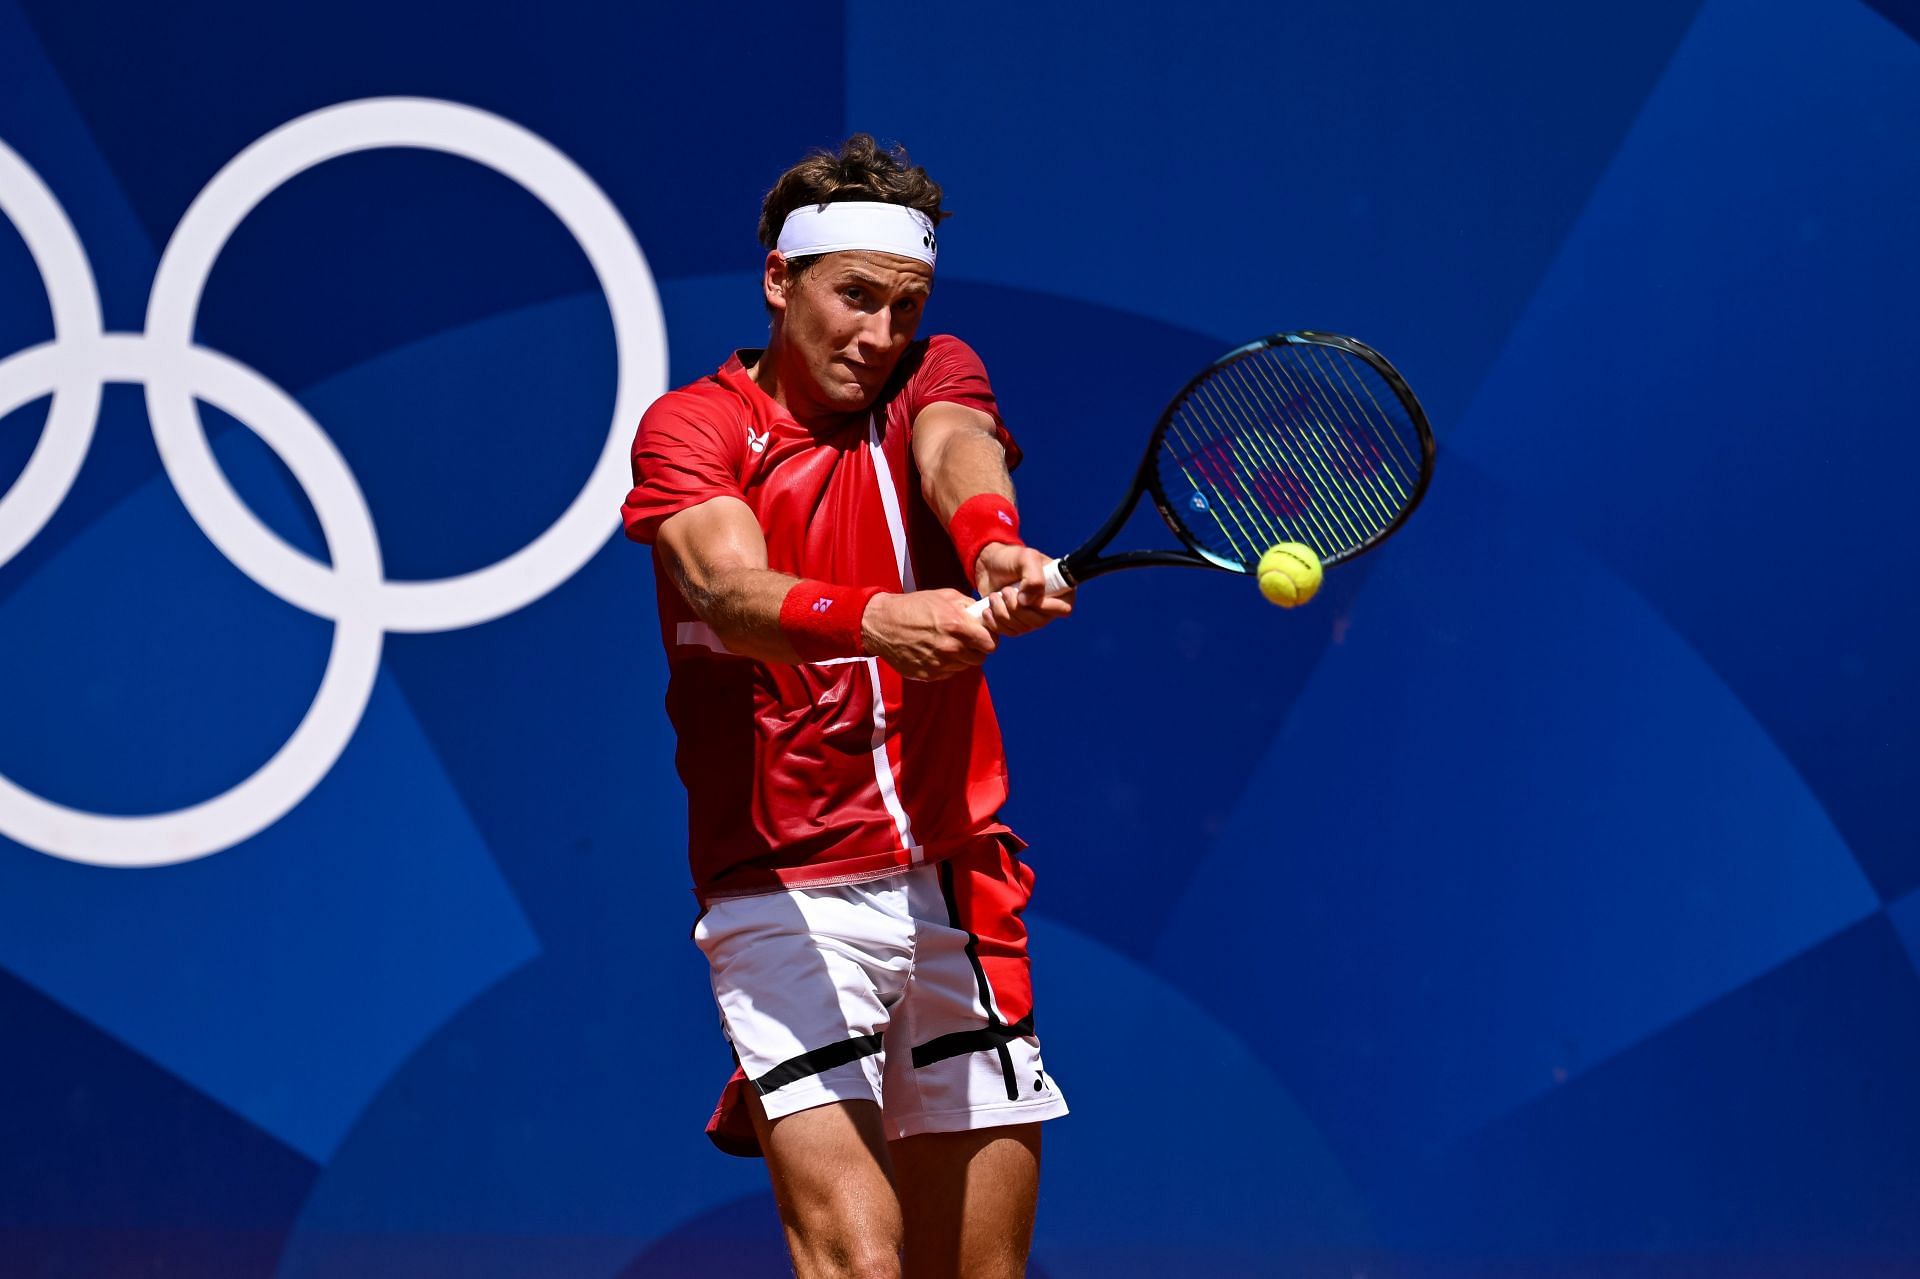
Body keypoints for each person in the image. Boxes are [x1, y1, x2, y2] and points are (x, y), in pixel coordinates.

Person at [619, 134, 1072, 1279]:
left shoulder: (932, 373)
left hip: (955, 875)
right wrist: (884, 620)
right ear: (780, 280)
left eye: (905, 306)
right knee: (862, 1263)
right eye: (854, 298)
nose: (880, 337)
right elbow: (727, 586)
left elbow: (958, 450)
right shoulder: (695, 429)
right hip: (782, 891)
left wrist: (996, 547)